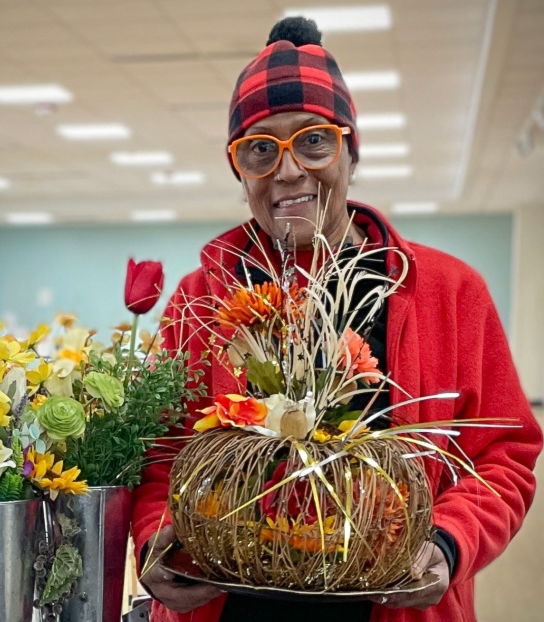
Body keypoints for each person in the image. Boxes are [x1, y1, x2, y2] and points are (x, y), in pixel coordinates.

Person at [131, 16, 543, 622]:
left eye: (314, 140)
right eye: (260, 150)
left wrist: (447, 543)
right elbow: (157, 458)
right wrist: (157, 540)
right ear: (239, 170)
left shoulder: (449, 293)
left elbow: (505, 453)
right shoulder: (201, 302)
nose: (289, 171)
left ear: (351, 149)